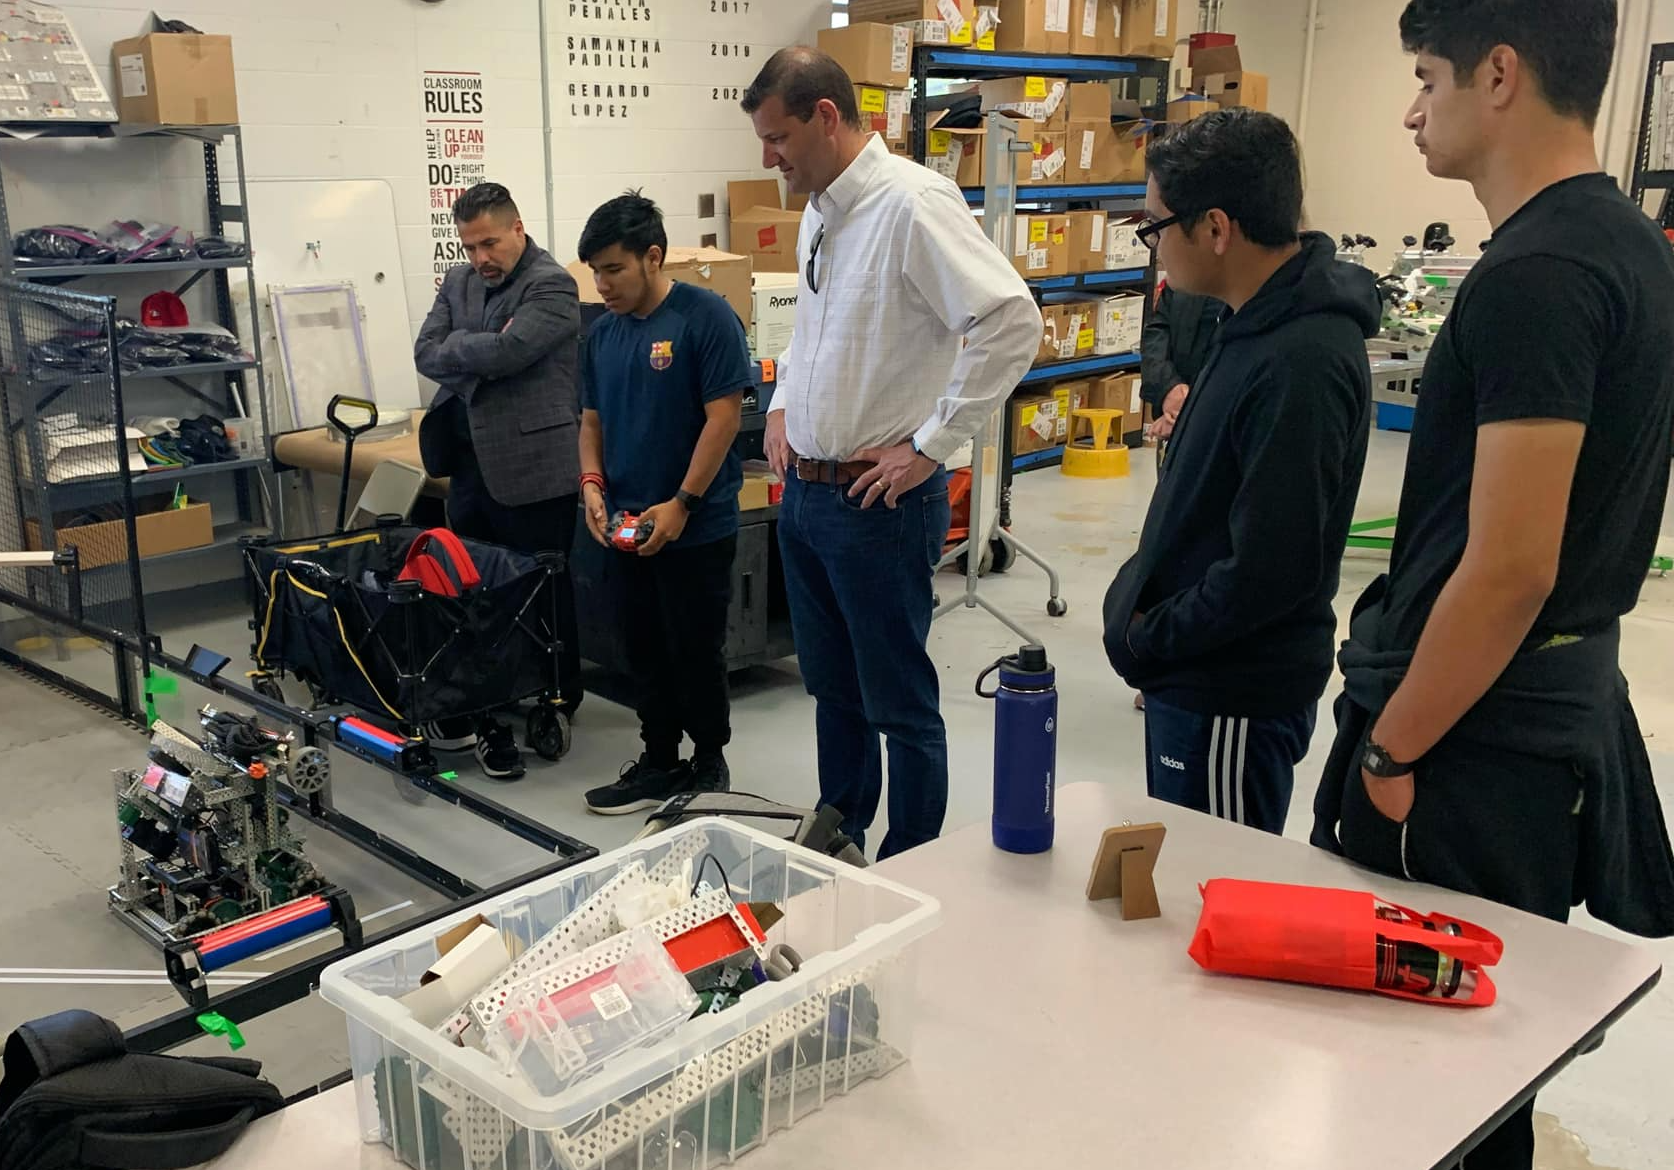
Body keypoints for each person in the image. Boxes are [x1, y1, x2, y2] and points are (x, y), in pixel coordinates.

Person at [1307, 0, 1674, 1170]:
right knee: (1462, 1009)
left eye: (1427, 77)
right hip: (1542, 708)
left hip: (1477, 731)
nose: (1411, 110)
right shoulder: (1631, 247)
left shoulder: (1533, 276)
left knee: (1440, 1018)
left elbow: (1510, 564)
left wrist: (1395, 746)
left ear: (1502, 76)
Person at [742, 48, 1039, 859]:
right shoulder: (820, 211)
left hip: (880, 505)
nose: (770, 158)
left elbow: (1011, 321)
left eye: (779, 138)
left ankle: (915, 855)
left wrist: (931, 445)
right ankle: (843, 824)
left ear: (827, 118)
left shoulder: (914, 206)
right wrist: (781, 406)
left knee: (898, 701)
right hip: (805, 496)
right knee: (832, 688)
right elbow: (809, 326)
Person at [1101, 109, 1377, 833]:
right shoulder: (1248, 320)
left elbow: (1269, 571)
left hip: (1231, 696)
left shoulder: (1301, 360)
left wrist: (1149, 635)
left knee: (1214, 889)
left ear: (1216, 228)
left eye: (1157, 227)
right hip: (1195, 677)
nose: (1153, 248)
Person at [574, 193, 748, 814]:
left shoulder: (706, 318)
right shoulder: (601, 334)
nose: (602, 283)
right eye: (595, 271)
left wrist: (682, 502)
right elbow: (590, 422)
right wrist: (591, 485)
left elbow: (722, 419)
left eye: (614, 269)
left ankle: (708, 760)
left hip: (694, 525)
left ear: (653, 256)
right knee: (640, 646)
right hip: (624, 522)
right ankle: (658, 760)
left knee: (694, 647)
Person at [413, 181, 583, 780]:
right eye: (469, 246)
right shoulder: (460, 282)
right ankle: (490, 694)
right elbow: (424, 350)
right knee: (472, 586)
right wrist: (476, 346)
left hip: (536, 467)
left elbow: (512, 354)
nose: (480, 257)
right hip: (469, 467)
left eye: (489, 242)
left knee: (541, 589)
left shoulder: (552, 283)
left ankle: (557, 695)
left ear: (517, 229)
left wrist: (466, 350)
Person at [1138, 277, 1223, 452]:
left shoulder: (1250, 284)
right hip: (1174, 418)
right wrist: (1169, 389)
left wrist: (1192, 410)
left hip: (1219, 431)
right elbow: (1157, 331)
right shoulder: (1184, 274)